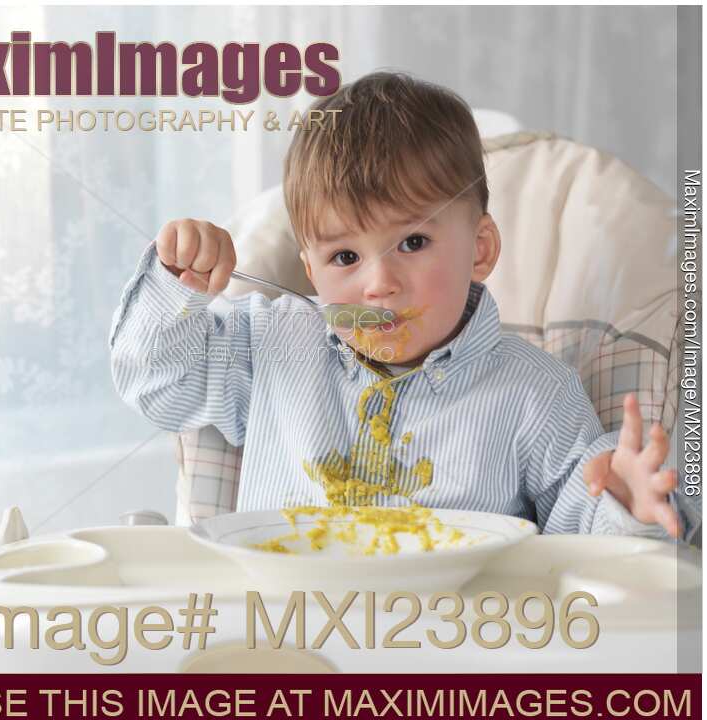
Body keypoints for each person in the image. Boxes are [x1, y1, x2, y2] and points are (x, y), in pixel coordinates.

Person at [109, 71, 685, 539]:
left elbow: (578, 539)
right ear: (309, 271)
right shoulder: (270, 345)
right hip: (286, 635)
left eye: (413, 242)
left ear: (480, 249)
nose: (378, 284)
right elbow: (158, 383)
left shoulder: (533, 392)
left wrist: (621, 502)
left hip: (455, 649)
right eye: (344, 259)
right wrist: (175, 283)